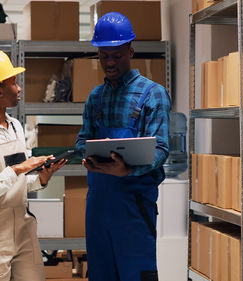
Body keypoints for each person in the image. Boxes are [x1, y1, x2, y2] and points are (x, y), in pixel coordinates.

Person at [76, 12, 171, 281]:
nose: (109, 62)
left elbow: (161, 149)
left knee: (136, 274)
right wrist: (88, 155)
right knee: (100, 273)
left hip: (134, 205)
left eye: (116, 55)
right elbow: (82, 140)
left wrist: (127, 171)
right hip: (99, 205)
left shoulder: (153, 94)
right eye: (103, 56)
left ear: (131, 51)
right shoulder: (96, 97)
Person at [0, 50, 66, 281]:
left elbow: (14, 186)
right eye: (13, 82)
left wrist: (40, 179)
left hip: (23, 228)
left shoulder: (15, 126)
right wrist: (18, 169)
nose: (19, 88)